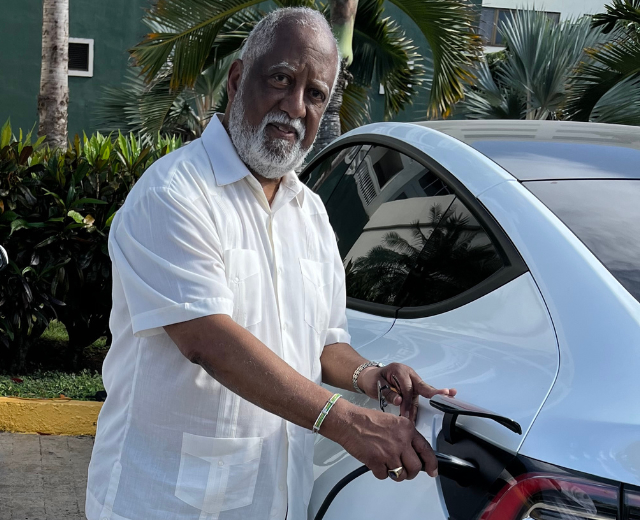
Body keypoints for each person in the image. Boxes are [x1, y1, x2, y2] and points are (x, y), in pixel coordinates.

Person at [85, 7, 457, 520]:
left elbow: (325, 344)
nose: (295, 107)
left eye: (315, 95)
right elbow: (208, 341)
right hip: (166, 504)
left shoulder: (311, 215)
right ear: (238, 80)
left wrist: (371, 378)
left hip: (276, 503)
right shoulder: (174, 194)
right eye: (281, 80)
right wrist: (346, 421)